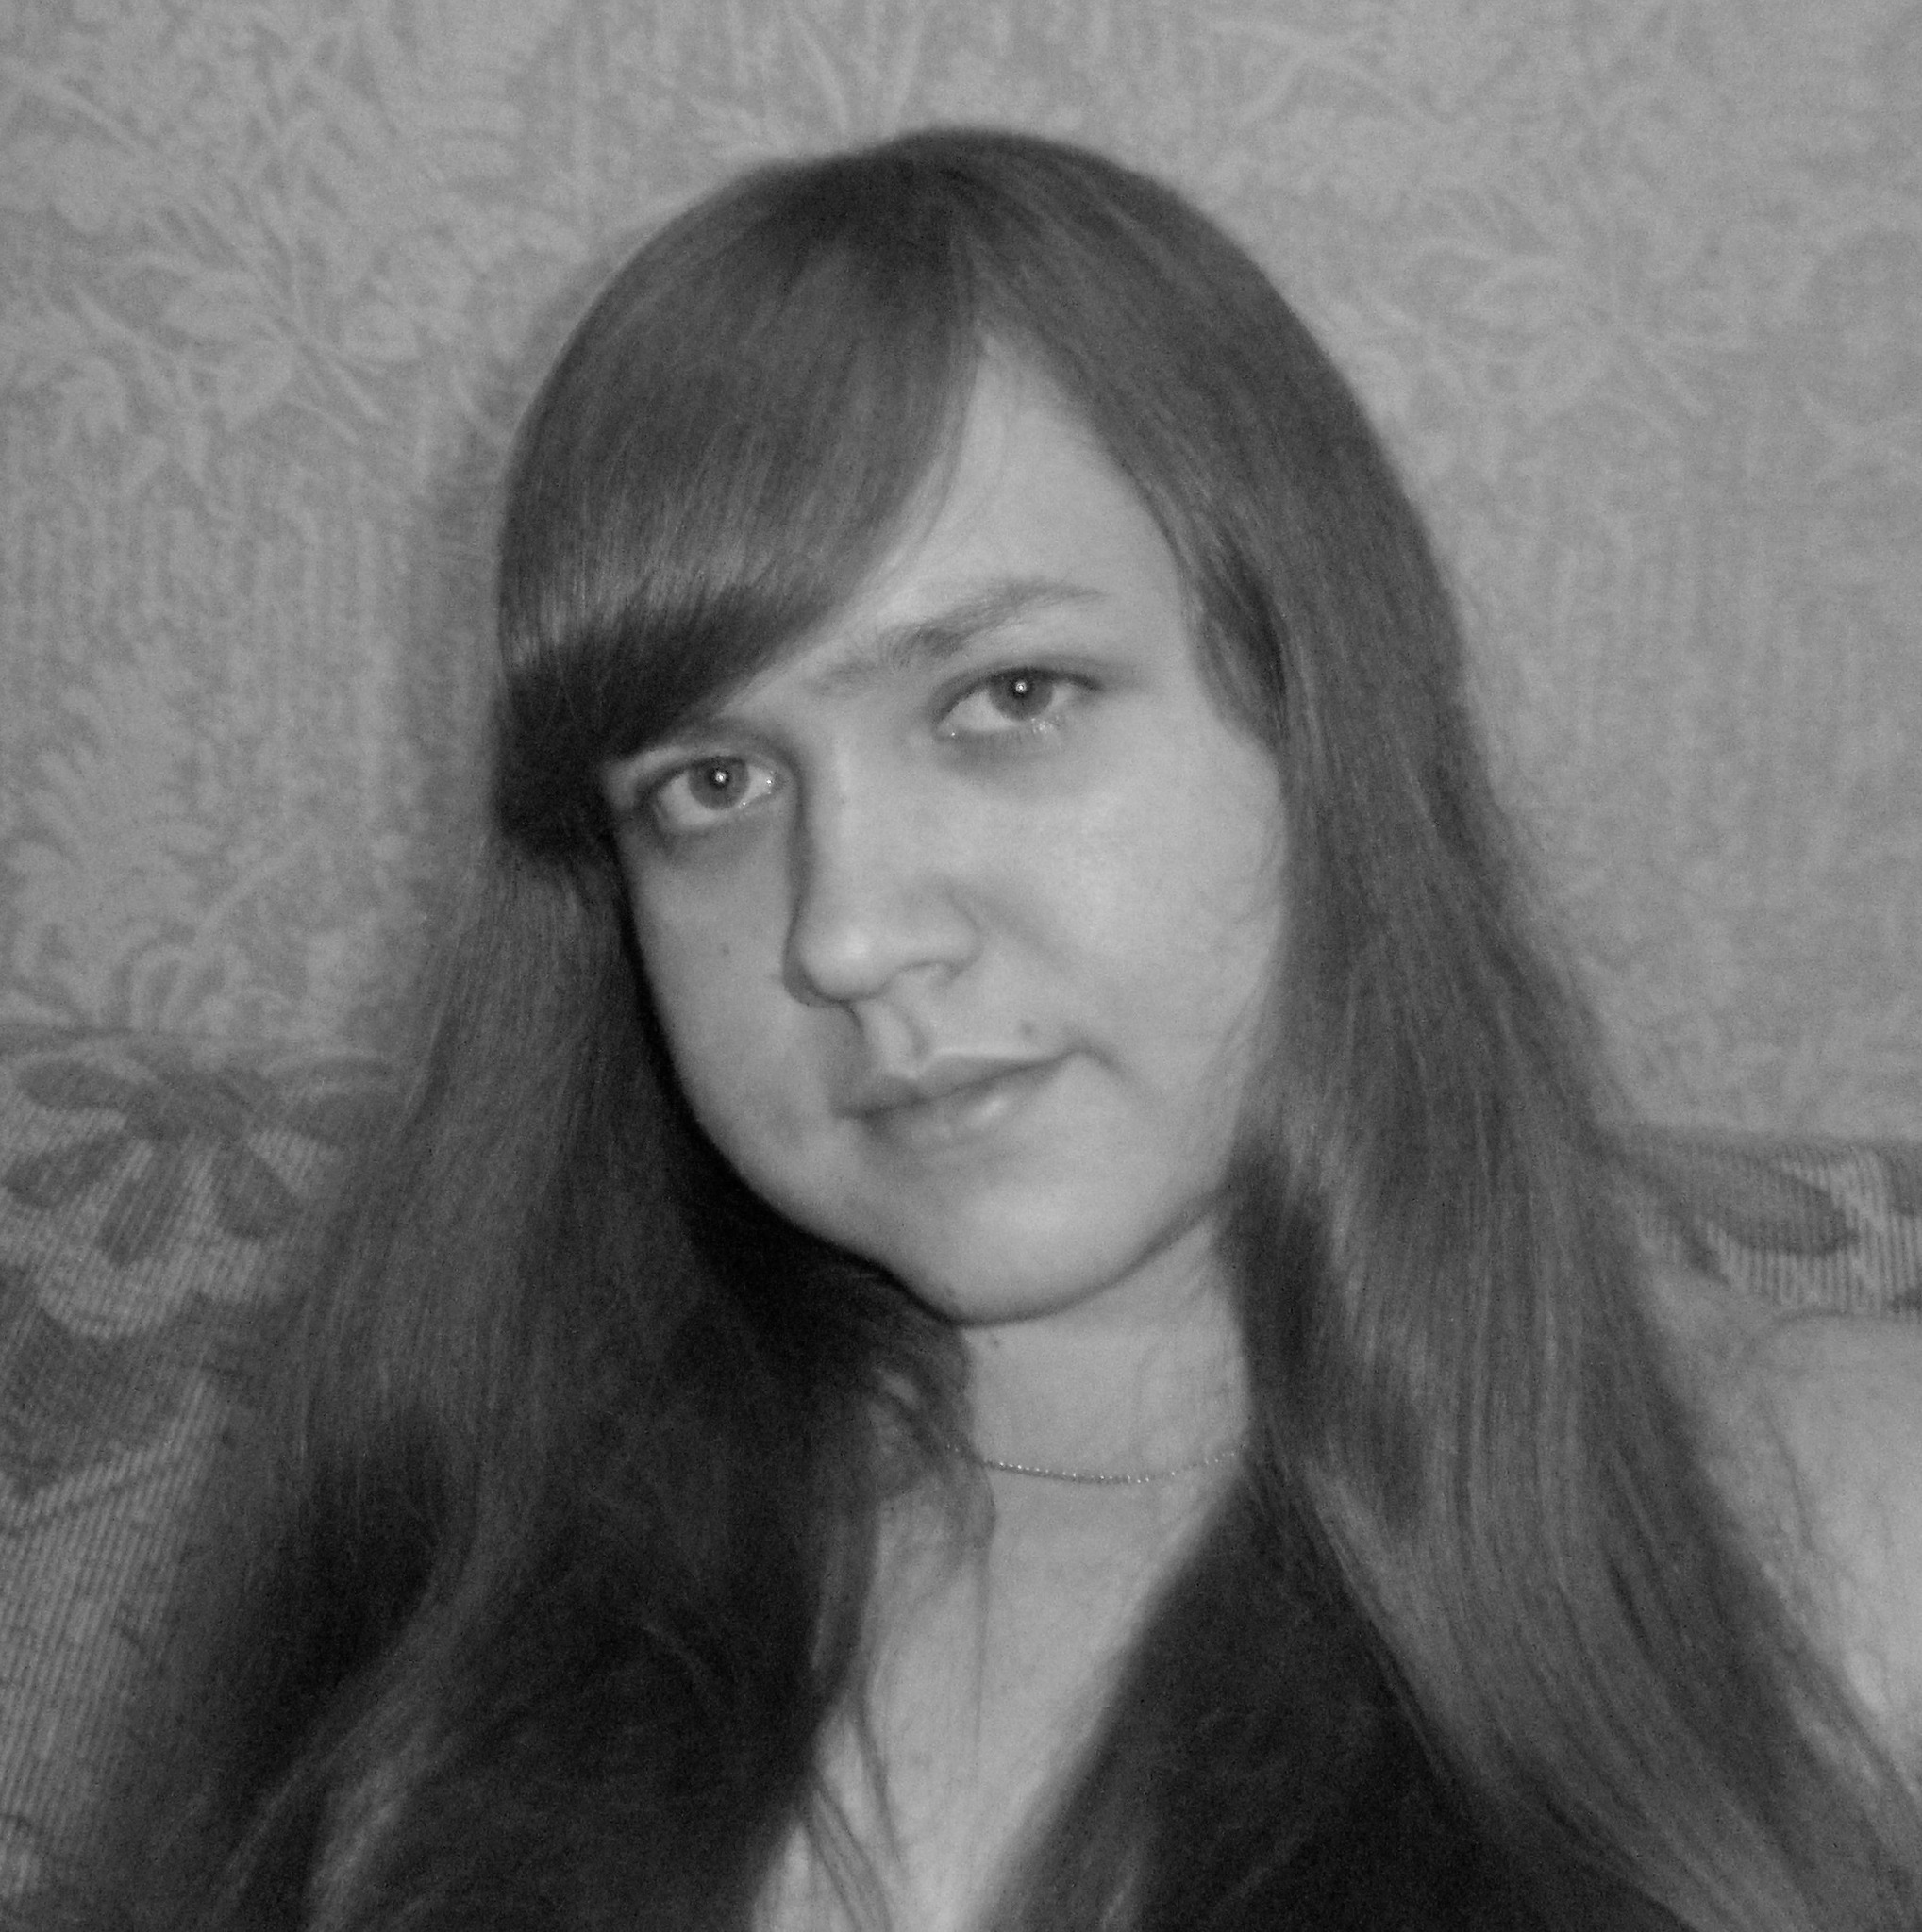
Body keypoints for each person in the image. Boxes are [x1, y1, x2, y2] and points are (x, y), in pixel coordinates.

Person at [103, 127, 1922, 1930]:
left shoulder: (1834, 1522)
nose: (845, 933)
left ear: (1320, 711)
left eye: (1008, 696)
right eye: (712, 784)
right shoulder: (456, 1578)